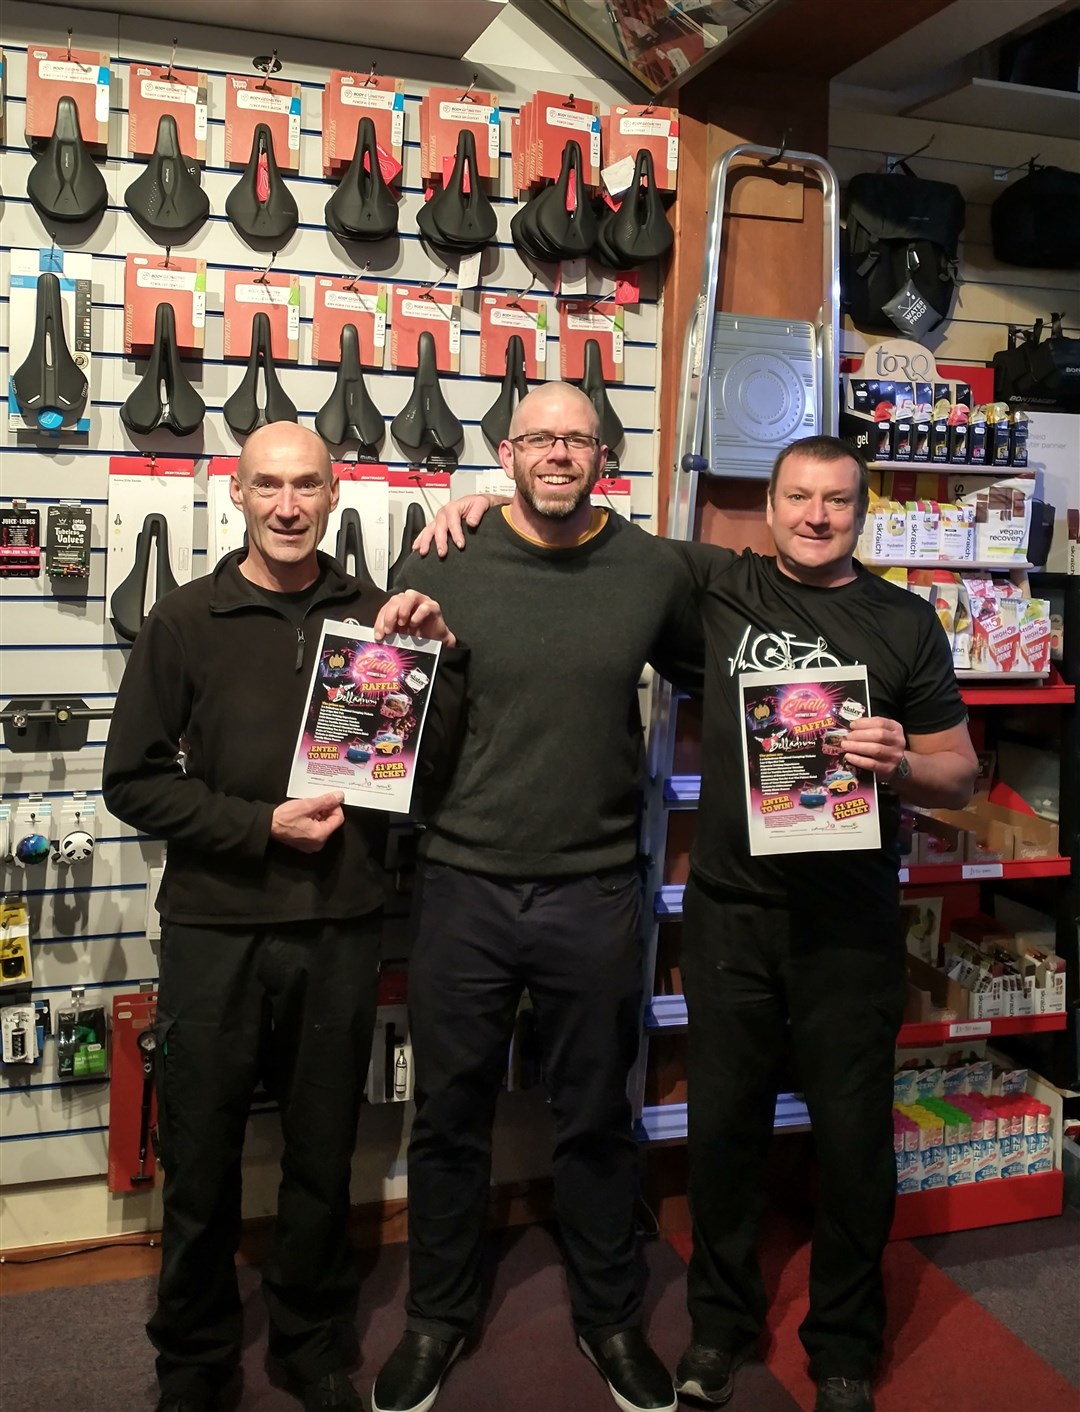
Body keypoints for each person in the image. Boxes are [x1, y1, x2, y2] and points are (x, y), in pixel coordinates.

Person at [414, 434, 978, 1412]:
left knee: (853, 1143)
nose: (815, 516)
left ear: (862, 510)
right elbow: (565, 518)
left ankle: (845, 1341)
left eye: (837, 501)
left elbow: (961, 771)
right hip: (731, 914)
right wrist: (463, 504)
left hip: (850, 927)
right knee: (722, 1136)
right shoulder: (713, 581)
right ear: (770, 504)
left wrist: (903, 760)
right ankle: (719, 1329)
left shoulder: (904, 620)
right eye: (798, 497)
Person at [102, 423, 459, 1412]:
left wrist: (438, 661)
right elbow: (130, 781)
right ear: (238, 493)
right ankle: (194, 1356)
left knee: (320, 1148)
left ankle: (311, 1342)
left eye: (307, 484)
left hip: (340, 921)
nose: (290, 504)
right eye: (270, 485)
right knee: (202, 1155)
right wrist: (260, 824)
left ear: (335, 490)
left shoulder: (376, 617)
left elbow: (418, 772)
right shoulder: (185, 618)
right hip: (216, 927)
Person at [370, 382, 703, 1412]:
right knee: (450, 1114)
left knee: (598, 1114)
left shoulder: (652, 567)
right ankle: (437, 1315)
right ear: (506, 452)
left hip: (596, 885)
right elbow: (384, 693)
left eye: (578, 437)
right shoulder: (440, 555)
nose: (559, 452)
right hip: (461, 879)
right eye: (540, 437)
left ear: (603, 452)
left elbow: (726, 676)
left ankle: (609, 1316)